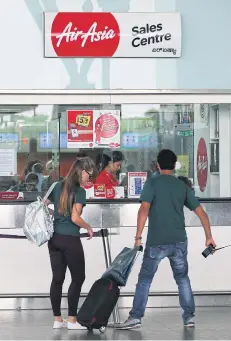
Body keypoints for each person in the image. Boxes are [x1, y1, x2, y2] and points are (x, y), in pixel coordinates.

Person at [116, 149, 216, 330]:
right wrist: (209, 237)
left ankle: (135, 317)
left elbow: (144, 210)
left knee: (145, 280)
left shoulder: (152, 183)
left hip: (156, 242)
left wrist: (138, 237)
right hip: (179, 241)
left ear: (158, 165)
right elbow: (202, 213)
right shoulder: (182, 186)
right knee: (182, 279)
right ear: (174, 165)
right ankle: (189, 318)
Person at [45, 156, 96, 330]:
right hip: (70, 240)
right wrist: (88, 227)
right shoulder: (79, 191)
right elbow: (75, 217)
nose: (89, 179)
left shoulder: (56, 186)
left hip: (54, 239)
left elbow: (44, 205)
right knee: (78, 278)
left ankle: (58, 320)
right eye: (89, 175)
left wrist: (56, 215)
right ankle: (72, 320)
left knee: (57, 279)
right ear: (82, 172)